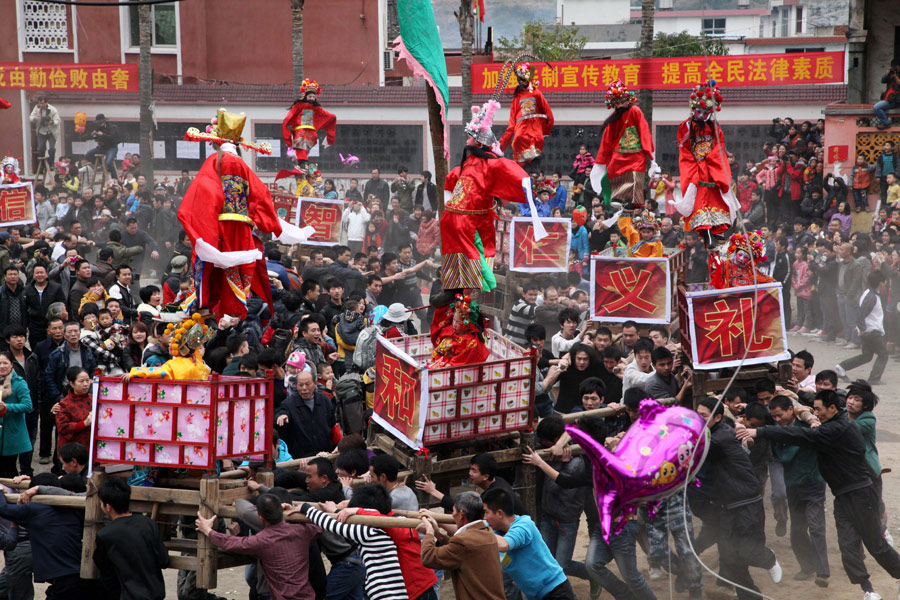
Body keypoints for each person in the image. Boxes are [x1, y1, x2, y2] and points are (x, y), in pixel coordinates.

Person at [738, 390, 900, 600]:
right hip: (842, 496)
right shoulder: (830, 423)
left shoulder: (839, 428)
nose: (816, 414)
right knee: (847, 544)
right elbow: (803, 407)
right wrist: (794, 398)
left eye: (819, 410)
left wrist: (759, 432)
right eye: (814, 409)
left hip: (860, 494)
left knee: (875, 545)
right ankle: (868, 590)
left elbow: (802, 436)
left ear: (832, 408)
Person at [179, 108, 313, 318]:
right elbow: (262, 197)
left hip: (221, 226)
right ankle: (232, 313)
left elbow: (205, 194)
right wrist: (276, 226)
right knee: (237, 269)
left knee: (208, 266)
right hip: (242, 229)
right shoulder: (243, 165)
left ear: (216, 142)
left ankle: (203, 305)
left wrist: (201, 220)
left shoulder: (215, 161)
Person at [441, 98, 543, 292]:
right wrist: (448, 204)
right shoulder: (478, 163)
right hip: (464, 219)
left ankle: (471, 290)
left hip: (464, 220)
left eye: (471, 138)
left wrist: (526, 182)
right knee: (469, 258)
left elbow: (509, 170)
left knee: (470, 259)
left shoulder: (479, 164)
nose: (468, 141)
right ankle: (466, 290)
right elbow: (451, 178)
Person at [696, 397, 782, 600]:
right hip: (726, 505)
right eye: (696, 415)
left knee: (746, 550)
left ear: (717, 417)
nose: (698, 420)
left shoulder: (719, 438)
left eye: (703, 416)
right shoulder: (713, 433)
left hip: (745, 502)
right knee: (729, 555)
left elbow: (698, 449)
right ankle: (750, 597)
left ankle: (768, 558)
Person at [196, 492, 322, 600]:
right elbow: (320, 525)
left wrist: (208, 530)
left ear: (261, 518)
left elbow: (231, 543)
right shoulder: (302, 531)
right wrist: (293, 510)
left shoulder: (262, 540)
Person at [292, 486, 409, 600]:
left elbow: (333, 525)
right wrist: (336, 510)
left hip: (384, 595)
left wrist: (307, 509)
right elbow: (348, 523)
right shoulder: (380, 530)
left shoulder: (368, 532)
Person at [766, 395, 830, 587]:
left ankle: (822, 572)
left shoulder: (807, 425)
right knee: (797, 530)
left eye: (780, 415)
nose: (778, 420)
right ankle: (807, 565)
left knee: (816, 527)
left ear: (790, 410)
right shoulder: (777, 431)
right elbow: (781, 456)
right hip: (793, 485)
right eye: (774, 417)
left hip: (814, 483)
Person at [670, 82, 739, 244]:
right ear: (693, 110)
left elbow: (718, 145)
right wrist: (696, 164)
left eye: (705, 112)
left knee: (718, 199)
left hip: (712, 167)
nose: (701, 115)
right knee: (700, 200)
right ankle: (706, 232)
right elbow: (684, 148)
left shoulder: (715, 127)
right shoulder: (686, 126)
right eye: (698, 111)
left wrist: (711, 159)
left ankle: (719, 230)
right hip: (696, 167)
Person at [482, 487, 575, 600]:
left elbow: (504, 545)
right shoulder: (496, 529)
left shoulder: (524, 525)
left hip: (556, 593)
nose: (485, 517)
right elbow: (466, 529)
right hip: (535, 596)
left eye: (486, 512)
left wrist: (477, 531)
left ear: (500, 513)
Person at [419, 491, 505, 600]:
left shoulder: (463, 542)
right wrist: (439, 534)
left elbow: (428, 557)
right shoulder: (487, 532)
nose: (452, 515)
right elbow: (459, 550)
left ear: (461, 515)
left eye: (453, 511)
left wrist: (429, 532)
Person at [94, 478, 168, 600]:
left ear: (108, 507)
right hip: (155, 593)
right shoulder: (148, 523)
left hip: (128, 595)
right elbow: (163, 559)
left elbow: (102, 566)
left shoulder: (105, 534)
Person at [590, 80, 654, 208]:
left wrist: (651, 155)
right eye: (617, 102)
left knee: (636, 174)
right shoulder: (615, 117)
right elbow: (607, 140)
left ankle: (634, 203)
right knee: (614, 170)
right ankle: (618, 199)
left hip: (636, 153)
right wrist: (600, 162)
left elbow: (644, 131)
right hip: (619, 154)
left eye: (622, 100)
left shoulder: (635, 111)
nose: (621, 104)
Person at [836, 270, 888, 385]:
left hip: (868, 331)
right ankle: (874, 378)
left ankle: (842, 366)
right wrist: (862, 328)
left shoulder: (869, 293)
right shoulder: (872, 297)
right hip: (871, 331)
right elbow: (861, 314)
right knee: (883, 354)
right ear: (880, 283)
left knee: (867, 356)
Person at [498, 62, 554, 167]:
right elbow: (511, 124)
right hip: (521, 134)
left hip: (535, 134)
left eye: (523, 79)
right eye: (519, 79)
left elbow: (549, 115)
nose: (520, 81)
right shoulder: (517, 97)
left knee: (533, 165)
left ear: (529, 79)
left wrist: (544, 131)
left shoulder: (536, 94)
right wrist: (499, 147)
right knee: (521, 162)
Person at [275, 371, 340, 458]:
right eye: (301, 385)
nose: (304, 388)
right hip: (300, 457)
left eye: (308, 384)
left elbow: (333, 427)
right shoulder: (289, 404)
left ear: (315, 383)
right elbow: (281, 412)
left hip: (325, 454)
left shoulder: (324, 400)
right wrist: (282, 415)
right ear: (296, 385)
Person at [281, 78, 337, 173]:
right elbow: (289, 116)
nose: (311, 98)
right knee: (303, 147)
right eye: (310, 96)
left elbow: (328, 116)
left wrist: (333, 118)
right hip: (306, 133)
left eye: (313, 97)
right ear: (305, 96)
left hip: (306, 133)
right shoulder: (305, 106)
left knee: (302, 148)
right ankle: (303, 162)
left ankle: (303, 163)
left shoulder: (314, 108)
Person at [428, 293, 489, 368]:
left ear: (468, 324)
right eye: (454, 320)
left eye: (458, 322)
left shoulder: (470, 343)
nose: (454, 324)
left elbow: (457, 364)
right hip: (440, 363)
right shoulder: (449, 330)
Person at [0, 353, 33, 478]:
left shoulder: (19, 383)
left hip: (11, 432)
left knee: (9, 468)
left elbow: (28, 406)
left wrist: (7, 407)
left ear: (11, 365)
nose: (2, 366)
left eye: (5, 363)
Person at [55, 367, 92, 452]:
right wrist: (84, 423)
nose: (86, 384)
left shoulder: (93, 399)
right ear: (72, 383)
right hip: (73, 450)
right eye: (81, 381)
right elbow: (63, 428)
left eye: (87, 380)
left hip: (91, 448)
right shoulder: (65, 404)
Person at [84, 114, 120, 180]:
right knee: (89, 154)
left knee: (109, 162)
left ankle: (115, 178)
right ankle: (99, 164)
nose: (99, 124)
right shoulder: (98, 128)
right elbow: (97, 138)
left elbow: (112, 137)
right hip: (102, 147)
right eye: (98, 122)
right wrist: (94, 135)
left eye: (100, 122)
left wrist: (103, 134)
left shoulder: (112, 127)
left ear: (104, 121)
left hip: (111, 147)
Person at [29, 95, 60, 164]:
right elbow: (31, 117)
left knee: (52, 148)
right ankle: (42, 163)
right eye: (40, 103)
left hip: (51, 131)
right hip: (41, 131)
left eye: (42, 103)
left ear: (46, 103)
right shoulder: (36, 108)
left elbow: (57, 120)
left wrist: (51, 122)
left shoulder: (53, 109)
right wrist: (35, 118)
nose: (41, 105)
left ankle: (51, 162)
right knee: (40, 148)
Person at [874, 58, 900, 130]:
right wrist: (887, 74)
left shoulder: (897, 76)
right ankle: (885, 122)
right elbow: (883, 81)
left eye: (896, 66)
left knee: (877, 107)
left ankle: (886, 123)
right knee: (877, 107)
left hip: (896, 100)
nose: (895, 68)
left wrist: (895, 76)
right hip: (889, 98)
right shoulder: (891, 74)